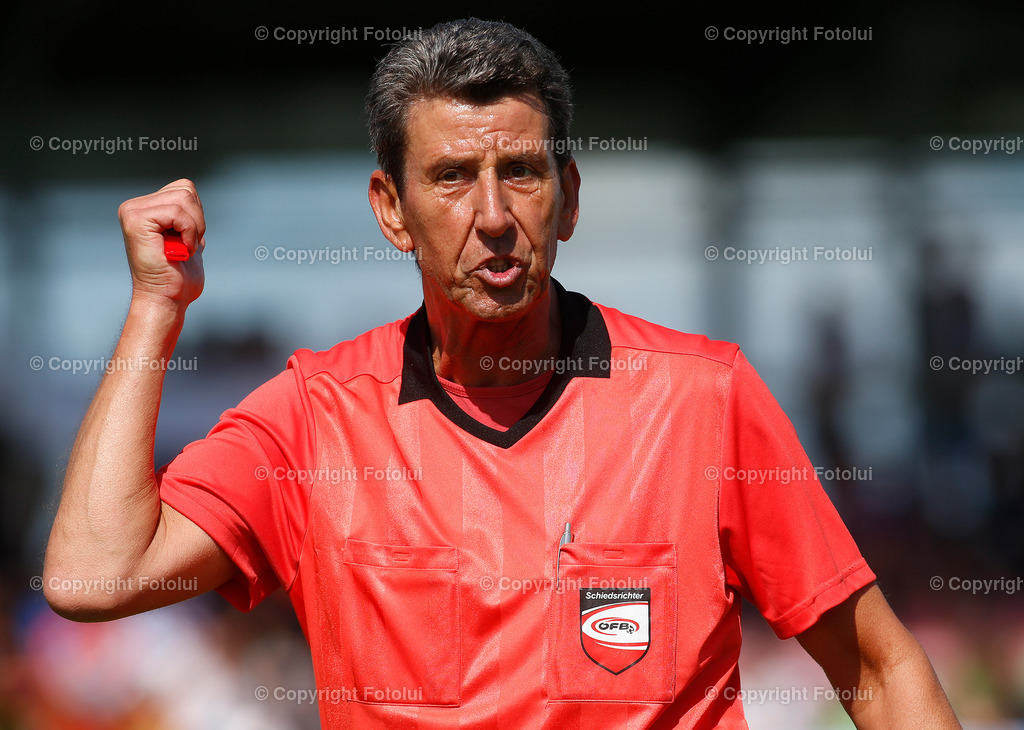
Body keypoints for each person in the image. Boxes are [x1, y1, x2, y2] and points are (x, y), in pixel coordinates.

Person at [44, 17, 961, 729]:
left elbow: (879, 669)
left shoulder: (702, 397)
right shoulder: (313, 420)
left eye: (520, 172)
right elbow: (94, 580)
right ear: (391, 210)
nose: (492, 214)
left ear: (568, 199)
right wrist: (157, 307)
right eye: (450, 178)